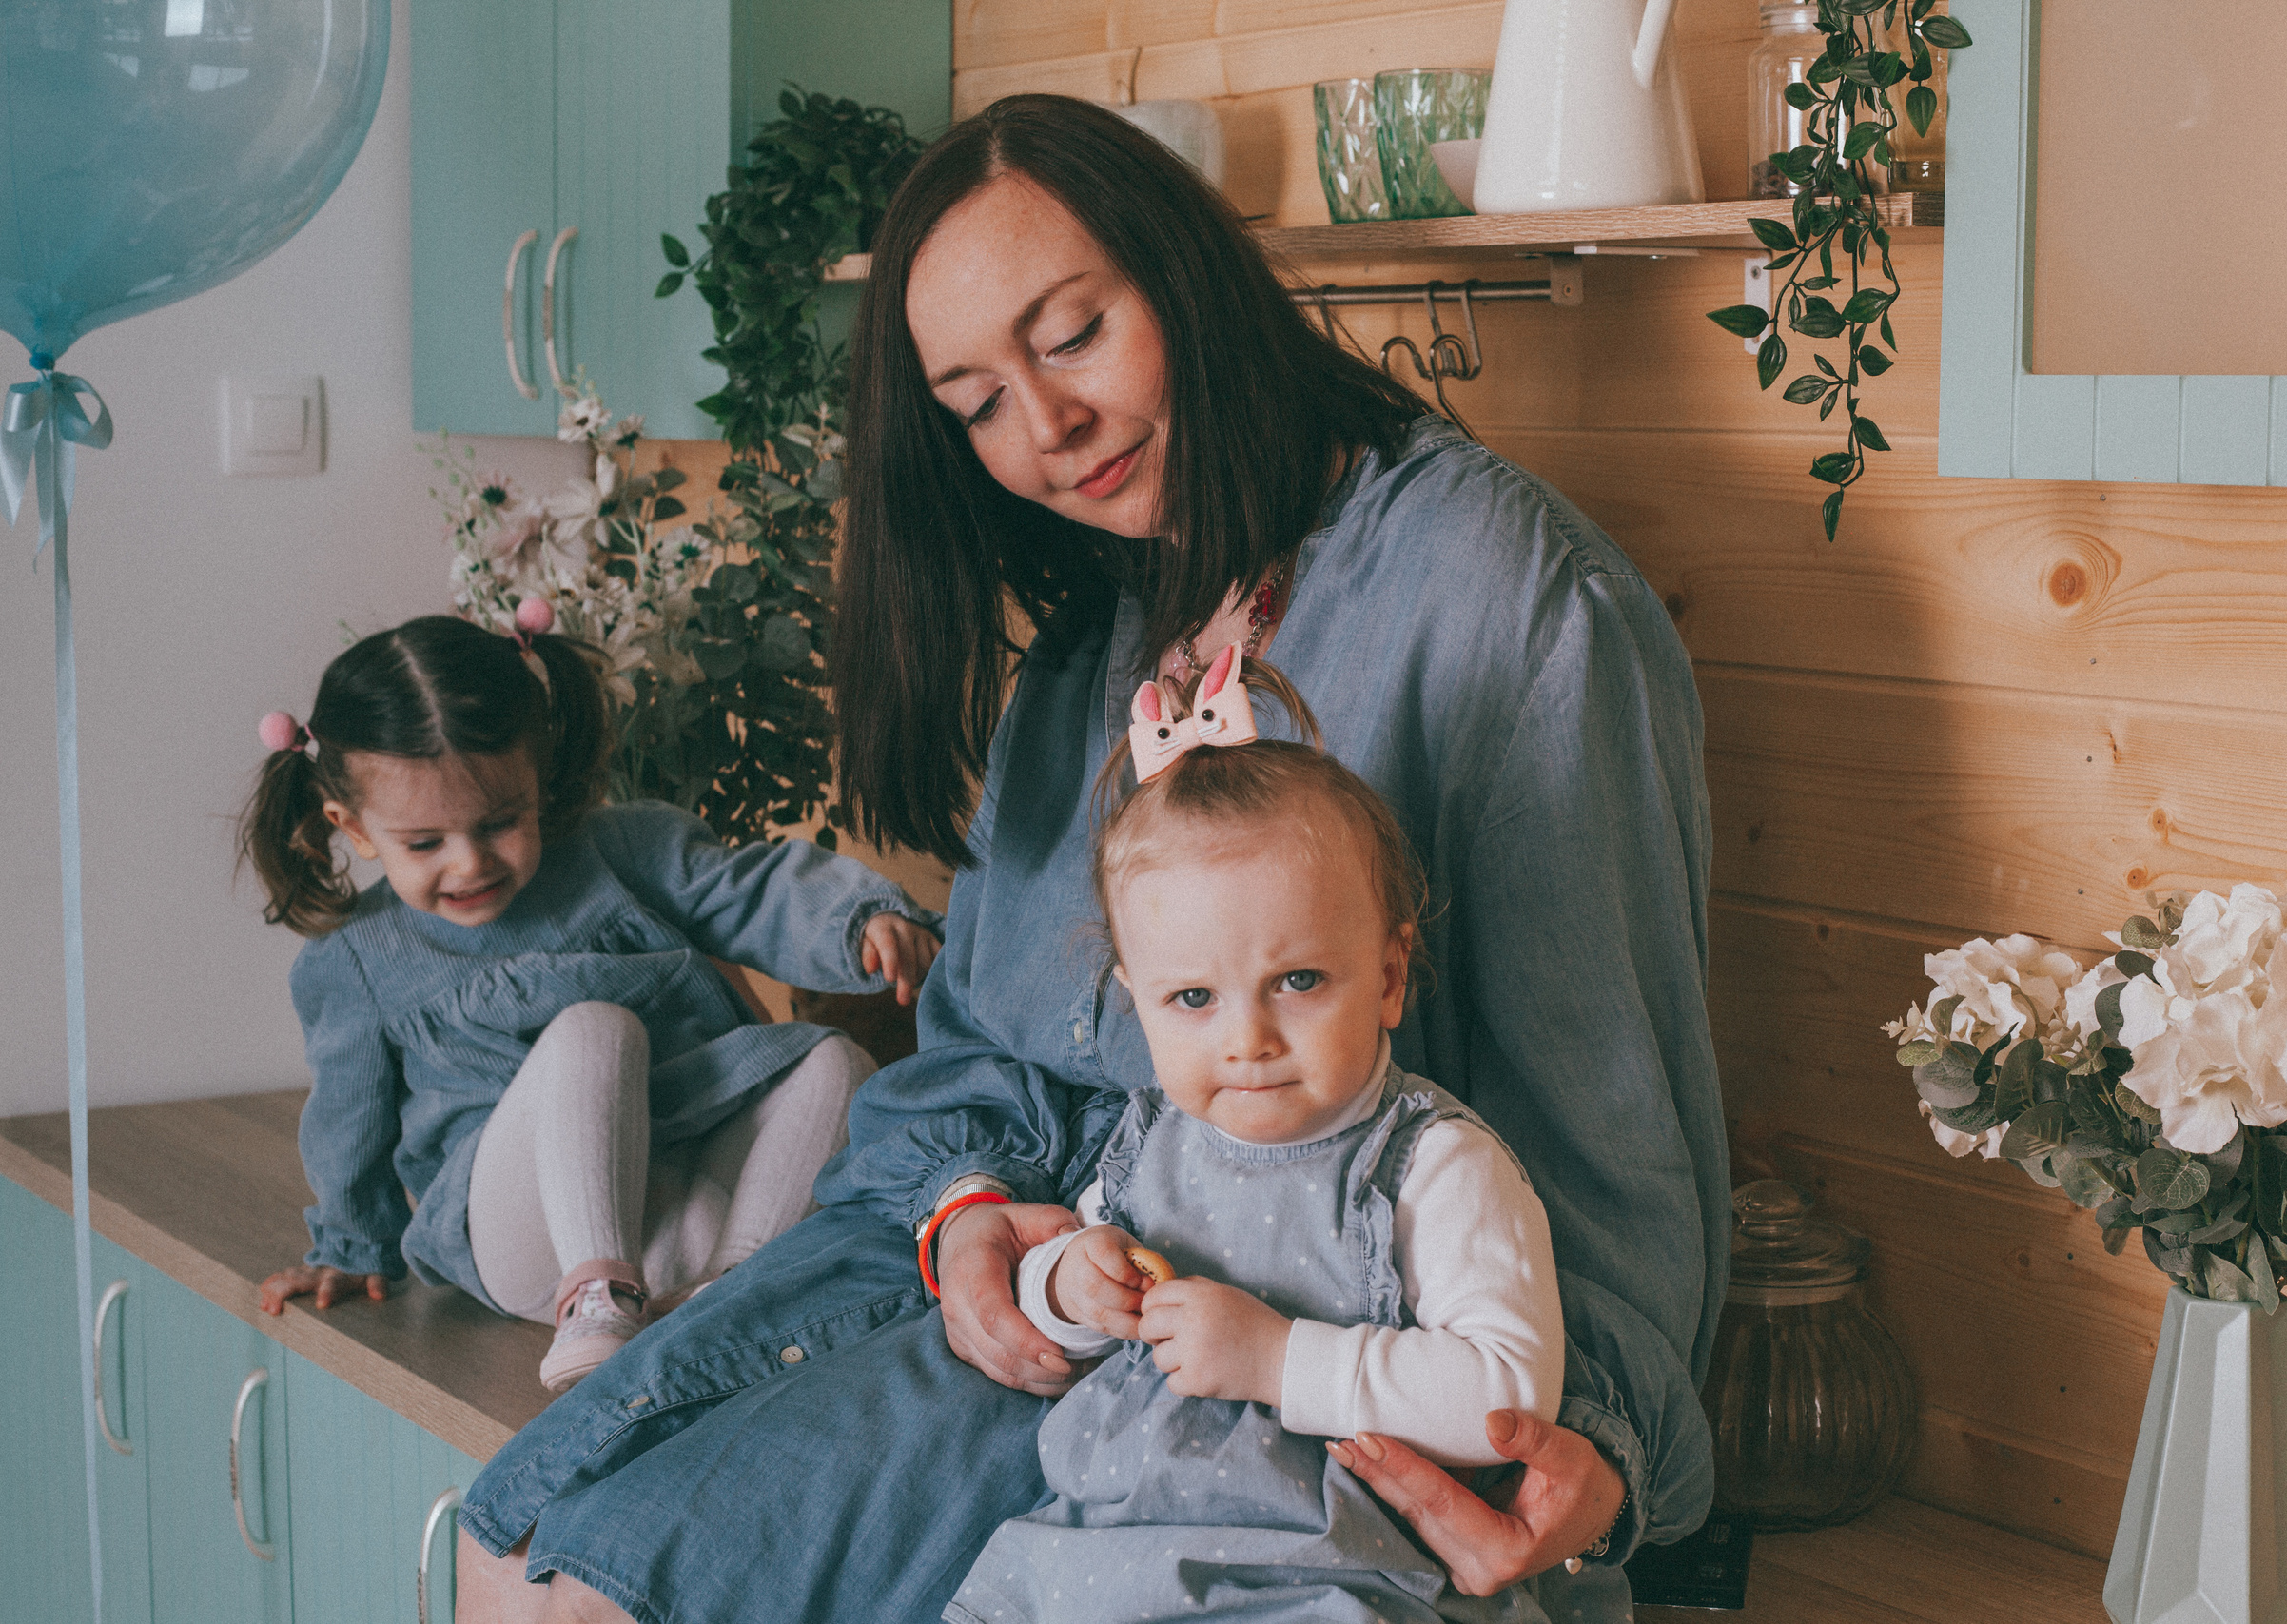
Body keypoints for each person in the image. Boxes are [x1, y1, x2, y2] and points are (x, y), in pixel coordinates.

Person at [456, 93, 1725, 1623]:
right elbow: (978, 1047)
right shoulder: (1100, 640)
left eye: (1071, 334)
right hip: (1010, 1286)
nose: (1042, 432)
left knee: (588, 1603)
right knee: (500, 1541)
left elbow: (1605, 1145)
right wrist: (965, 1209)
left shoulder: (1508, 597)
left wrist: (1598, 1450)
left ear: (1184, 275)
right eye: (977, 401)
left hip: (1248, 1357)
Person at [949, 649, 1566, 1624]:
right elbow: (1063, 1306)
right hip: (1106, 1551)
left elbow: (1506, 1394)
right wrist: (1068, 1282)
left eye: (1299, 982)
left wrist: (1280, 1361)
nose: (1248, 1041)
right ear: (1134, 1005)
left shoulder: (1431, 1166)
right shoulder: (1151, 1142)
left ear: (1390, 974)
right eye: (1192, 998)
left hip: (1328, 1569)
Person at [241, 613, 940, 1390]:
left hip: (680, 1193)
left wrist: (859, 922)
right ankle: (598, 1296)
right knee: (592, 1028)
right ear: (355, 829)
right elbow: (349, 1118)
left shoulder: (622, 848)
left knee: (836, 1058)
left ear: (537, 775)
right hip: (523, 1235)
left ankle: (737, 1292)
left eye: (501, 821)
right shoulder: (355, 958)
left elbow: (749, 889)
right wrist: (350, 1244)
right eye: (425, 843)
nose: (470, 862)